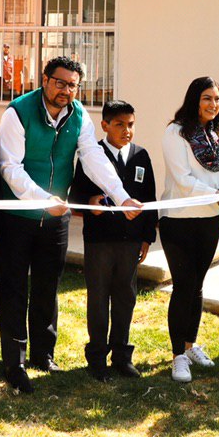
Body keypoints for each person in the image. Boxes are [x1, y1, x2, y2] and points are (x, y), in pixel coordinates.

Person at [0, 56, 143, 393]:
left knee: (48, 286)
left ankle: (43, 355)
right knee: (14, 289)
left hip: (55, 220)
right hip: (17, 216)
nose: (66, 90)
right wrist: (41, 197)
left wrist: (120, 197)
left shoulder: (79, 117)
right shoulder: (17, 112)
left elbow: (93, 158)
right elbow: (10, 167)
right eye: (60, 83)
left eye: (72, 85)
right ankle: (14, 363)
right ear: (45, 80)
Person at [160, 76, 219, 383]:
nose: (213, 104)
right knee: (183, 285)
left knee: (196, 285)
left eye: (217, 99)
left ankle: (190, 345)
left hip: (210, 219)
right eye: (207, 98)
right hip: (179, 219)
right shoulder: (176, 131)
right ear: (195, 99)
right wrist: (218, 196)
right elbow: (182, 180)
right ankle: (177, 356)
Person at [68, 99, 158, 381]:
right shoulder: (91, 155)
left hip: (130, 242)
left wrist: (147, 237)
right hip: (100, 241)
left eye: (130, 124)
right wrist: (91, 201)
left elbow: (150, 199)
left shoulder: (141, 156)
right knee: (98, 297)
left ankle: (122, 355)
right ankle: (97, 357)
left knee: (125, 297)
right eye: (119, 124)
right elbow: (76, 196)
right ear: (105, 125)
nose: (126, 130)